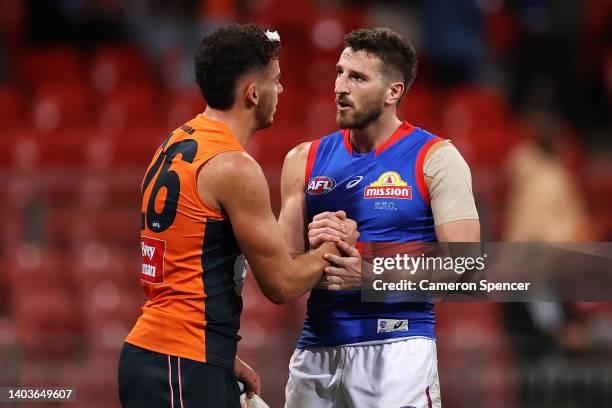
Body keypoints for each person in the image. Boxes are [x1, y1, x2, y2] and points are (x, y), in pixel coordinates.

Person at [117, 23, 358, 408]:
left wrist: (222, 357)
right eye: (275, 81)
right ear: (252, 92)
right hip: (182, 365)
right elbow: (280, 283)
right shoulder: (234, 167)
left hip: (167, 355)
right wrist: (335, 242)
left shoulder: (175, 141)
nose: (280, 91)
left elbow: (183, 267)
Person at [279, 27, 480, 407]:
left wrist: (371, 276)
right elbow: (282, 277)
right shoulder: (301, 161)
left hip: (398, 347)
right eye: (340, 72)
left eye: (357, 77)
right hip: (316, 349)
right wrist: (321, 249)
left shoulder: (436, 159)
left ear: (394, 92)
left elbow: (467, 267)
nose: (339, 86)